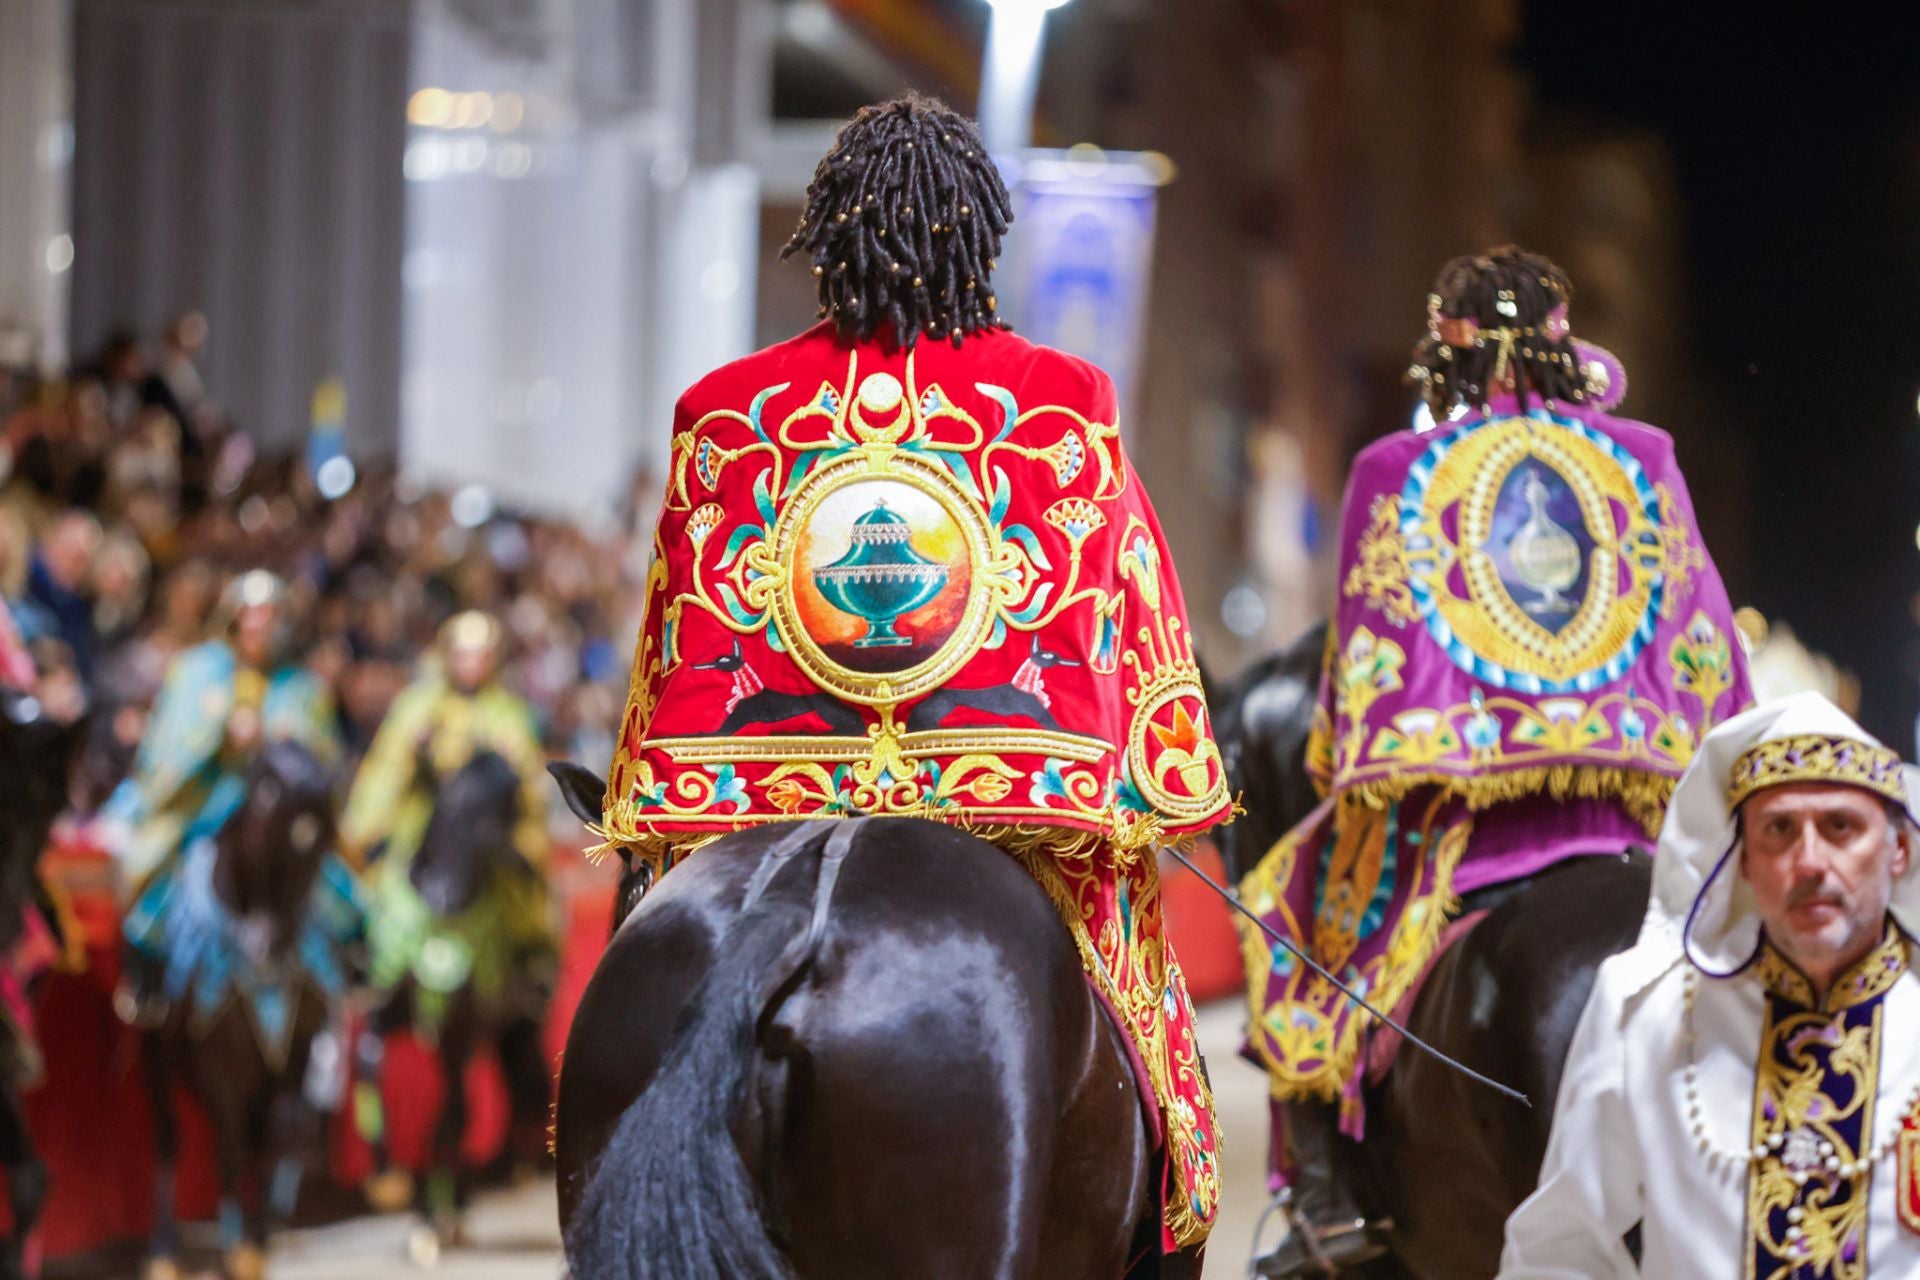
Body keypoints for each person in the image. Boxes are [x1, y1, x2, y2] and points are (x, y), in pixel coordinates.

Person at [594, 92, 1234, 1256]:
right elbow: (1125, 609)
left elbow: (677, 638)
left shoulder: (725, 408)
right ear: (978, 236)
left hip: (755, 795)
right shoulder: (1061, 397)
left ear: (829, 235)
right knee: (1135, 1020)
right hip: (1006, 802)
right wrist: (1154, 768)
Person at [1239, 246, 1752, 1273]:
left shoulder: (1397, 468)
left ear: (1446, 354)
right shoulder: (1644, 457)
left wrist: (1370, 756)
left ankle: (1329, 1207)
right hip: (1640, 832)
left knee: (1293, 923)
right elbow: (1710, 659)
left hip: (1456, 843)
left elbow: (1363, 688)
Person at [1500, 691, 1920, 1276]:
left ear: (1899, 849)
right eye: (1778, 829)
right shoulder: (1647, 1010)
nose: (1810, 861)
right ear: (1743, 860)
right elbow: (1560, 1249)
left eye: (1840, 826)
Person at [98, 570, 341, 1022]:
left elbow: (321, 760)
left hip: (277, 812)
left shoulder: (304, 687)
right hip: (206, 801)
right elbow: (168, 742)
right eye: (252, 614)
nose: (260, 624)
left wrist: (276, 739)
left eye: (271, 615)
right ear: (234, 617)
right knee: (158, 876)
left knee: (333, 887)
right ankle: (148, 977)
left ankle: (344, 977)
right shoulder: (197, 670)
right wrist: (220, 731)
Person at [341, 609, 553, 1007]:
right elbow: (385, 767)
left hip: (486, 836)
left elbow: (529, 783)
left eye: (481, 655)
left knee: (523, 895)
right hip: (420, 822)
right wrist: (413, 754)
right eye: (464, 654)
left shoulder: (508, 712)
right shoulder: (418, 705)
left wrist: (511, 765)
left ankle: (530, 967)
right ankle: (367, 964)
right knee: (378, 891)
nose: (472, 664)